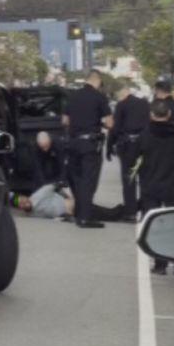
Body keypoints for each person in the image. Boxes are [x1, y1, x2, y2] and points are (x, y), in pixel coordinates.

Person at [135, 99, 174, 274]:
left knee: (155, 224)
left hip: (151, 184)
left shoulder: (145, 134)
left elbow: (135, 156)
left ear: (151, 115)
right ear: (169, 114)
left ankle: (160, 264)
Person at [62, 69, 113, 228]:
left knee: (77, 179)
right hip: (90, 145)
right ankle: (85, 218)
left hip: (73, 143)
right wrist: (99, 123)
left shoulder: (73, 95)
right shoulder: (99, 97)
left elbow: (65, 121)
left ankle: (79, 213)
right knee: (88, 181)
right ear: (98, 81)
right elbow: (110, 123)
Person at [108, 85, 149, 221]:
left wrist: (109, 146)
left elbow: (115, 127)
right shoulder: (145, 104)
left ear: (122, 95)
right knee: (144, 178)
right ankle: (146, 209)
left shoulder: (121, 105)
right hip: (143, 145)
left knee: (129, 179)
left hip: (127, 146)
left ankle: (130, 212)